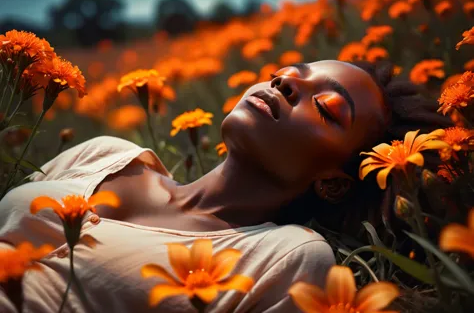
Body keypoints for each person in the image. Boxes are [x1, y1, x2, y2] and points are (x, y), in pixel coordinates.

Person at [0, 60, 450, 313]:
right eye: (290, 71)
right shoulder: (103, 153)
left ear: (333, 182)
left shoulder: (286, 256)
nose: (286, 82)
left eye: (328, 109)